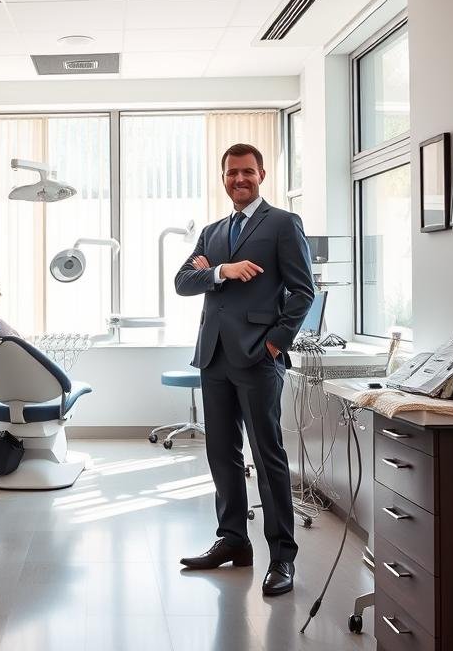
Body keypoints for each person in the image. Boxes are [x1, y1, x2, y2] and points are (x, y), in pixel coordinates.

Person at [174, 143, 314, 597]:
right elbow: (182, 282)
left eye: (248, 172)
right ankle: (233, 539)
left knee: (267, 455)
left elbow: (302, 292)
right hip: (213, 355)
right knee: (222, 453)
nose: (240, 179)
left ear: (262, 175)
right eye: (232, 172)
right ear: (223, 178)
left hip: (258, 355)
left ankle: (282, 557)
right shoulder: (213, 231)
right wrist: (222, 270)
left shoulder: (282, 224)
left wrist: (275, 342)